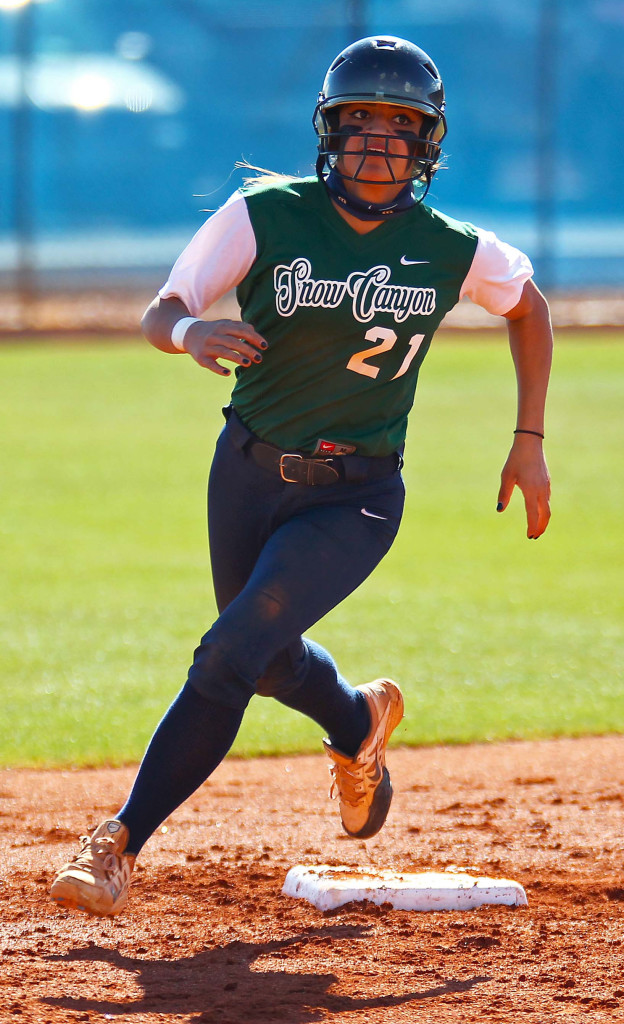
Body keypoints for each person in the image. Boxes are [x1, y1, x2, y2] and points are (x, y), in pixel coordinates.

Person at [50, 35, 551, 917]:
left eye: (400, 124)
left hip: (354, 495)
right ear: (327, 131)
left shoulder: (450, 246)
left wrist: (529, 436)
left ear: (429, 143)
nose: (376, 140)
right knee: (269, 661)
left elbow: (531, 305)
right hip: (243, 472)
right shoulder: (263, 215)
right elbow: (164, 308)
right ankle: (358, 723)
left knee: (229, 653)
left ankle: (118, 843)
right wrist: (189, 333)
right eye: (358, 119)